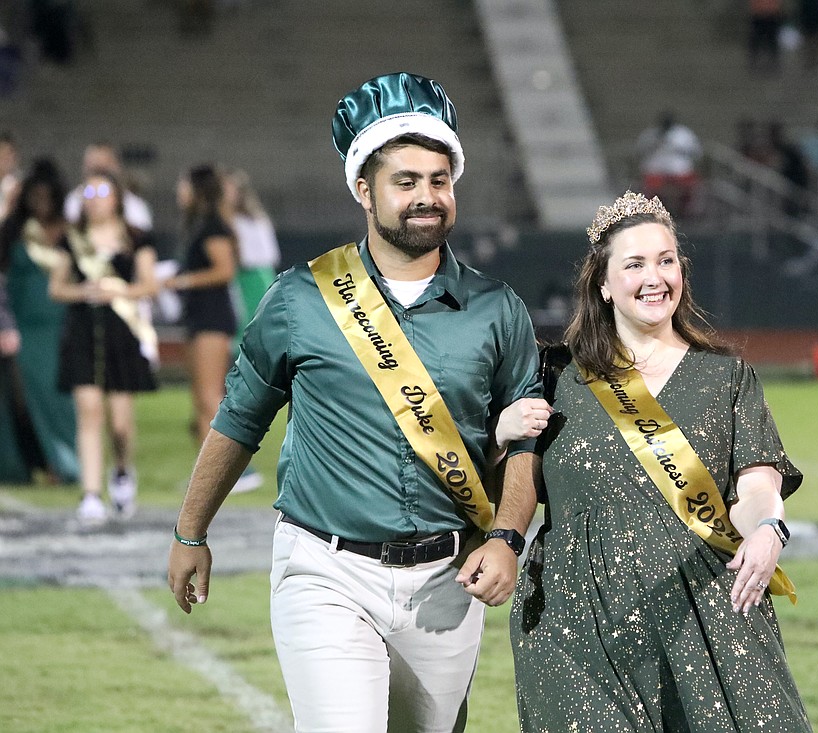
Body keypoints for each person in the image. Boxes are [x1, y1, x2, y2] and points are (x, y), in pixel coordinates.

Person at [166, 72, 545, 733]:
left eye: (440, 180)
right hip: (325, 568)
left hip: (447, 576)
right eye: (406, 181)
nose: (427, 197)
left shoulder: (497, 309)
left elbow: (525, 442)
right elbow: (240, 419)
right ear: (364, 191)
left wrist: (508, 537)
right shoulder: (299, 298)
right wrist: (190, 531)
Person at [506, 191, 813, 731]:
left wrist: (769, 528)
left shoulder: (727, 378)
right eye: (635, 264)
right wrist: (501, 433)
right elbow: (504, 486)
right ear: (603, 284)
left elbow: (757, 488)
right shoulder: (553, 377)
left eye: (666, 260)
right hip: (574, 619)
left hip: (701, 606)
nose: (655, 277)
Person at [49, 170, 159, 525]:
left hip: (121, 335)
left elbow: (149, 285)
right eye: (88, 193)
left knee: (121, 425)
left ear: (116, 198)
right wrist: (83, 291)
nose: (94, 200)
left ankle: (122, 471)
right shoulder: (71, 239)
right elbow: (57, 288)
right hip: (83, 332)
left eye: (102, 192)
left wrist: (119, 292)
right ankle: (91, 494)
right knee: (89, 411)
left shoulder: (136, 237)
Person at [0, 159, 79, 485]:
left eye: (46, 196)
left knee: (58, 397)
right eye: (34, 196)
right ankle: (28, 463)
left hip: (61, 327)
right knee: (21, 397)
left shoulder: (70, 232)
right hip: (22, 327)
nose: (40, 202)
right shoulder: (14, 230)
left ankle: (62, 462)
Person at [163, 165, 237, 452]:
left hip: (212, 318)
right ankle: (207, 470)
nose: (179, 191)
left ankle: (236, 469)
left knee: (210, 398)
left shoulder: (213, 226)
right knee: (200, 403)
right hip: (196, 317)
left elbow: (225, 270)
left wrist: (183, 280)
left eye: (184, 186)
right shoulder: (198, 226)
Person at [221, 166, 280, 493]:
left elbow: (261, 256)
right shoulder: (234, 222)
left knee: (243, 360)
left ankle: (239, 464)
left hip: (252, 284)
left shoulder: (247, 222)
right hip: (245, 284)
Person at [63, 142, 153, 231]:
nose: (99, 169)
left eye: (105, 164)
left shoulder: (134, 205)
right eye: (94, 164)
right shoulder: (74, 200)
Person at [634, 110, 702, 220]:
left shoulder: (684, 134)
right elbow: (640, 152)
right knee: (649, 187)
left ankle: (686, 213)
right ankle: (651, 213)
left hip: (679, 170)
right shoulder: (650, 135)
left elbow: (696, 152)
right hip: (656, 169)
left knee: (690, 185)